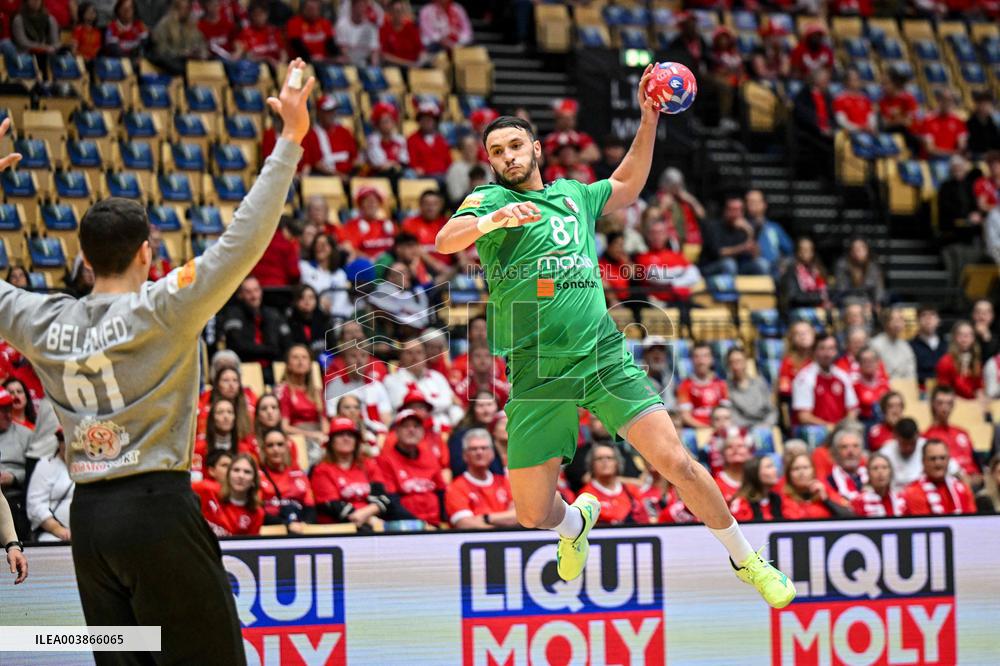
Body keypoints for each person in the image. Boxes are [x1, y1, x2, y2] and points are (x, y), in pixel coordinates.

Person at [434, 70, 795, 607]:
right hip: (537, 368)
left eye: (515, 145)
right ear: (490, 162)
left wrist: (649, 117)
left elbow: (627, 184)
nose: (508, 156)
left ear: (535, 148)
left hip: (601, 354)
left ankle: (747, 558)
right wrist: (494, 221)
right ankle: (574, 522)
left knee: (678, 463)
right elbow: (446, 239)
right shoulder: (487, 201)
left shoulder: (574, 196)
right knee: (533, 513)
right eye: (497, 151)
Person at [0, 62, 312, 660]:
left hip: (89, 523)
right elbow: (245, 236)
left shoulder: (41, 320)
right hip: (156, 512)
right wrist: (290, 139)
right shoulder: (165, 304)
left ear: (84, 259)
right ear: (149, 252)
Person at [311, 417, 389, 527]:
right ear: (331, 441)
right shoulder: (321, 470)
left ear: (357, 441)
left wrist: (365, 514)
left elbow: (382, 497)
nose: (346, 438)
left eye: (350, 435)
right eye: (340, 435)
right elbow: (334, 507)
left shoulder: (368, 464)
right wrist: (369, 519)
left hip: (372, 522)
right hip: (338, 528)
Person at [376, 409, 447, 525]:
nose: (411, 430)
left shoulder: (430, 457)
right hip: (404, 527)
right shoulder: (385, 460)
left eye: (416, 426)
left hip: (435, 524)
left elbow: (441, 492)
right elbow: (391, 502)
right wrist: (420, 525)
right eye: (405, 426)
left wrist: (445, 523)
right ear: (396, 431)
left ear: (423, 431)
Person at [444, 428, 516, 529]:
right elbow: (465, 523)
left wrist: (486, 518)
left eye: (484, 448)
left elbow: (519, 517)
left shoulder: (504, 482)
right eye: (474, 449)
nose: (479, 452)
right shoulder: (456, 487)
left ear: (492, 453)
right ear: (465, 455)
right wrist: (500, 528)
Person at [792, 333, 859, 427]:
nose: (827, 353)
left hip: (841, 432)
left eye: (831, 348)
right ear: (814, 351)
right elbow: (804, 417)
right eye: (822, 348)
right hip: (815, 432)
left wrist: (843, 427)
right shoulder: (804, 378)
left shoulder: (842, 375)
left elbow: (853, 409)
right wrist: (830, 428)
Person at [276, 344, 328, 463]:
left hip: (318, 437)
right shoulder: (283, 390)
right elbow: (284, 427)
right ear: (288, 364)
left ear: (310, 364)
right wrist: (311, 435)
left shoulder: (317, 392)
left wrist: (322, 436)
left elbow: (325, 425)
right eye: (295, 357)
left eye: (304, 358)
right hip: (296, 438)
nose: (300, 361)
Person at [258, 428, 316, 532]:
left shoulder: (299, 474)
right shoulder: (257, 476)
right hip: (271, 530)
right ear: (264, 450)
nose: (276, 449)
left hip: (300, 528)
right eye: (270, 445)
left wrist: (306, 525)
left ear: (287, 447)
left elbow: (310, 507)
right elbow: (258, 512)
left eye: (280, 444)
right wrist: (286, 524)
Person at [922, 385, 981, 485]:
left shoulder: (963, 433)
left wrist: (979, 477)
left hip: (975, 482)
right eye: (940, 403)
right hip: (951, 483)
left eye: (949, 403)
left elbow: (976, 464)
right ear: (933, 404)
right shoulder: (926, 437)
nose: (945, 408)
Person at [196, 453, 266, 537]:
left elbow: (248, 547)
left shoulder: (257, 513)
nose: (241, 476)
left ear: (254, 481)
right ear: (228, 475)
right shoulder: (206, 490)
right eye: (236, 470)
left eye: (247, 472)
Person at [700, 195, 769, 277]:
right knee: (729, 264)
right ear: (725, 211)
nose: (735, 214)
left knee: (762, 264)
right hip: (711, 266)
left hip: (737, 268)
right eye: (732, 210)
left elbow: (755, 255)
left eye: (738, 210)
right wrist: (742, 248)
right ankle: (730, 290)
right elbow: (719, 252)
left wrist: (749, 231)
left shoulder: (743, 228)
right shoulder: (713, 227)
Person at [881, 417, 959, 489]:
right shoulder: (886, 452)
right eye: (904, 444)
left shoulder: (929, 448)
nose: (908, 448)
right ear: (896, 437)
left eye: (912, 443)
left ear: (918, 435)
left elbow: (957, 472)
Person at [902, 440, 976, 515]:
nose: (938, 463)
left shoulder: (963, 489)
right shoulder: (913, 492)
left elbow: (971, 521)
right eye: (932, 459)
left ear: (949, 460)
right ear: (923, 462)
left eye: (942, 458)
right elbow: (925, 524)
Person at [577, 444, 644, 525]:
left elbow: (643, 518)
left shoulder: (631, 491)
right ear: (591, 464)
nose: (605, 461)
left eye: (609, 458)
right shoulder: (585, 495)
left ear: (617, 463)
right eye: (599, 458)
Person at [26, 429, 73, 542]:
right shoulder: (45, 465)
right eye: (63, 440)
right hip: (53, 533)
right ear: (59, 443)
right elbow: (35, 504)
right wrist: (57, 528)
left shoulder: (91, 466)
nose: (67, 444)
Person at [301, 95, 359, 178]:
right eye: (328, 111)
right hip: (326, 178)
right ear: (319, 113)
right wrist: (338, 175)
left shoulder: (344, 132)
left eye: (333, 111)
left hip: (349, 175)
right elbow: (316, 164)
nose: (332, 114)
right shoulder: (311, 135)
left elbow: (354, 158)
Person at [780, 452, 851, 520]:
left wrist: (826, 500)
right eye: (796, 469)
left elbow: (850, 517)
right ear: (788, 475)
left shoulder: (825, 491)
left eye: (805, 468)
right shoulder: (782, 498)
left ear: (813, 471)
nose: (801, 472)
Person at [677, 343, 730, 428]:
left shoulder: (721, 384)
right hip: (697, 431)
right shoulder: (685, 385)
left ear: (712, 359)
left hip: (720, 429)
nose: (701, 361)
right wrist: (706, 429)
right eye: (697, 357)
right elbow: (685, 416)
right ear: (691, 360)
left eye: (705, 356)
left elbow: (727, 413)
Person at [150, 0, 207, 75]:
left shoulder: (192, 25)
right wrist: (182, 53)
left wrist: (201, 53)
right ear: (175, 8)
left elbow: (202, 45)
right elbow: (162, 50)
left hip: (194, 68)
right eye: (183, 8)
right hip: (171, 70)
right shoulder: (164, 26)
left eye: (188, 8)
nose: (187, 11)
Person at [725, 347, 777, 429]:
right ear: (728, 366)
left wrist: (766, 425)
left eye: (739, 361)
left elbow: (771, 410)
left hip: (765, 427)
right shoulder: (726, 387)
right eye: (732, 362)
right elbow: (733, 417)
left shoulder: (760, 383)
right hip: (743, 430)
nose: (736, 366)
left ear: (746, 362)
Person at [745, 189, 792, 278]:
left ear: (764, 205)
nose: (750, 204)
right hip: (753, 266)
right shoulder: (742, 225)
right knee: (762, 264)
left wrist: (784, 263)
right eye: (748, 201)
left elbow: (789, 249)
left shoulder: (774, 227)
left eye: (754, 201)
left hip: (775, 265)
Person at [935, 320, 984, 400]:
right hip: (953, 404)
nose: (965, 338)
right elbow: (944, 391)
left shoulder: (976, 361)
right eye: (961, 334)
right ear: (954, 337)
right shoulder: (945, 361)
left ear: (973, 338)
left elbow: (978, 388)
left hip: (973, 404)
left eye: (969, 334)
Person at [779, 236, 830, 312]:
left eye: (810, 249)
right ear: (797, 252)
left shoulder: (818, 270)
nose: (807, 253)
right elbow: (793, 297)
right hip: (798, 309)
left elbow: (824, 291)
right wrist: (818, 297)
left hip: (819, 308)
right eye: (804, 250)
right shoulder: (791, 270)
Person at [833, 238, 885, 309]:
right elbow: (842, 290)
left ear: (867, 250)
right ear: (851, 252)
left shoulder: (873, 267)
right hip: (847, 302)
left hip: (869, 302)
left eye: (861, 248)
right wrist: (862, 303)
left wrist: (876, 303)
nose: (858, 252)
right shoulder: (843, 265)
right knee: (855, 309)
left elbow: (879, 289)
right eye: (855, 249)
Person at [407, 99, 453, 178]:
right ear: (419, 121)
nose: (426, 122)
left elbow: (449, 162)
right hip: (423, 177)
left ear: (435, 121)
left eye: (429, 119)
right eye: (423, 119)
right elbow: (412, 162)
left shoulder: (442, 140)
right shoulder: (412, 139)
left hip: (443, 176)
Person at [729, 455, 783, 522]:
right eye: (769, 466)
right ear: (754, 473)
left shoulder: (776, 498)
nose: (775, 470)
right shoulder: (741, 503)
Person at [252, 216, 301, 288]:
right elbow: (294, 273)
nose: (291, 237)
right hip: (279, 289)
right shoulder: (288, 245)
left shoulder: (258, 243)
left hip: (258, 289)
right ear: (285, 229)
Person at [851, 452, 906, 517]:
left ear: (891, 472)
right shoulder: (859, 502)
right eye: (875, 468)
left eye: (884, 467)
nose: (880, 472)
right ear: (868, 474)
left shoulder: (902, 499)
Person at [870, 307, 917, 379]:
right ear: (885, 322)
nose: (898, 324)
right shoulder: (875, 344)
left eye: (901, 320)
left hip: (904, 386)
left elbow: (911, 373)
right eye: (894, 320)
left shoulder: (906, 346)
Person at [237, 0, 286, 69]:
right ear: (251, 15)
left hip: (277, 69)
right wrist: (266, 60)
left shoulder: (274, 31)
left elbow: (283, 53)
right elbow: (247, 56)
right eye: (256, 14)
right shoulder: (245, 32)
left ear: (267, 14)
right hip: (255, 70)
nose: (258, 18)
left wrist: (280, 65)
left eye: (261, 14)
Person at [922, 88, 968, 159]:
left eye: (951, 100)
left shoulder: (958, 121)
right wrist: (951, 153)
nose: (948, 103)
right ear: (939, 101)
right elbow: (930, 149)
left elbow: (962, 147)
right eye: (945, 100)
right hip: (935, 159)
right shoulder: (928, 120)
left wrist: (954, 154)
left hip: (954, 159)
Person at [826, 427, 868, 502]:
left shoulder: (871, 477)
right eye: (844, 447)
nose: (851, 451)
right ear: (835, 453)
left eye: (855, 446)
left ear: (861, 451)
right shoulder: (829, 482)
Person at [778, 321, 816, 400]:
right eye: (797, 333)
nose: (803, 336)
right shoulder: (788, 362)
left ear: (814, 335)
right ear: (792, 339)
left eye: (806, 332)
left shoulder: (823, 357)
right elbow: (784, 389)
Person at [336, 0, 379, 66]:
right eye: (359, 6)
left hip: (365, 65)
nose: (362, 9)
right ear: (352, 7)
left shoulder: (371, 27)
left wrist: (374, 68)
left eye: (363, 6)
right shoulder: (342, 25)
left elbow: (374, 52)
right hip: (348, 65)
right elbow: (343, 51)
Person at [853, 347, 891, 425]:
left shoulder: (885, 384)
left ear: (878, 363)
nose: (868, 364)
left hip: (884, 423)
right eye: (865, 361)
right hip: (864, 424)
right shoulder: (854, 386)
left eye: (872, 360)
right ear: (859, 364)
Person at [379, 0, 422, 67]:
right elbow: (384, 55)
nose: (400, 14)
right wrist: (408, 64)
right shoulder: (384, 28)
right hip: (395, 67)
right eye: (397, 11)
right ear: (390, 12)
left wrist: (421, 62)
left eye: (402, 11)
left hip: (413, 67)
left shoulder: (410, 27)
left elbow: (420, 50)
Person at [833, 67, 876, 133]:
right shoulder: (839, 99)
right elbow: (841, 121)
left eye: (858, 78)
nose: (858, 81)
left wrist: (871, 127)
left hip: (867, 132)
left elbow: (871, 116)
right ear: (846, 82)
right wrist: (858, 128)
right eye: (854, 79)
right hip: (851, 134)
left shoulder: (865, 98)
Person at [911, 306, 946, 385]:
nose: (928, 318)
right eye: (924, 315)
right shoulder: (910, 346)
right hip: (920, 388)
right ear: (918, 321)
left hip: (945, 388)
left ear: (938, 320)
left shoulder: (946, 345)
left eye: (932, 315)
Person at [714, 432, 751, 502]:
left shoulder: (758, 480)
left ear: (749, 453)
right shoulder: (715, 485)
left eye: (740, 446)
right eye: (729, 447)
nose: (735, 449)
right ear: (723, 455)